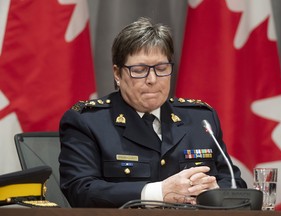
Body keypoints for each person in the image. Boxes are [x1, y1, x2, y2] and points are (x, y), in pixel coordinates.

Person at [59, 17, 247, 208]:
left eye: (161, 68)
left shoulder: (201, 119)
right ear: (117, 73)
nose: (152, 79)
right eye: (139, 70)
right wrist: (159, 193)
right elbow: (80, 190)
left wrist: (215, 192)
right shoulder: (88, 121)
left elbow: (235, 184)